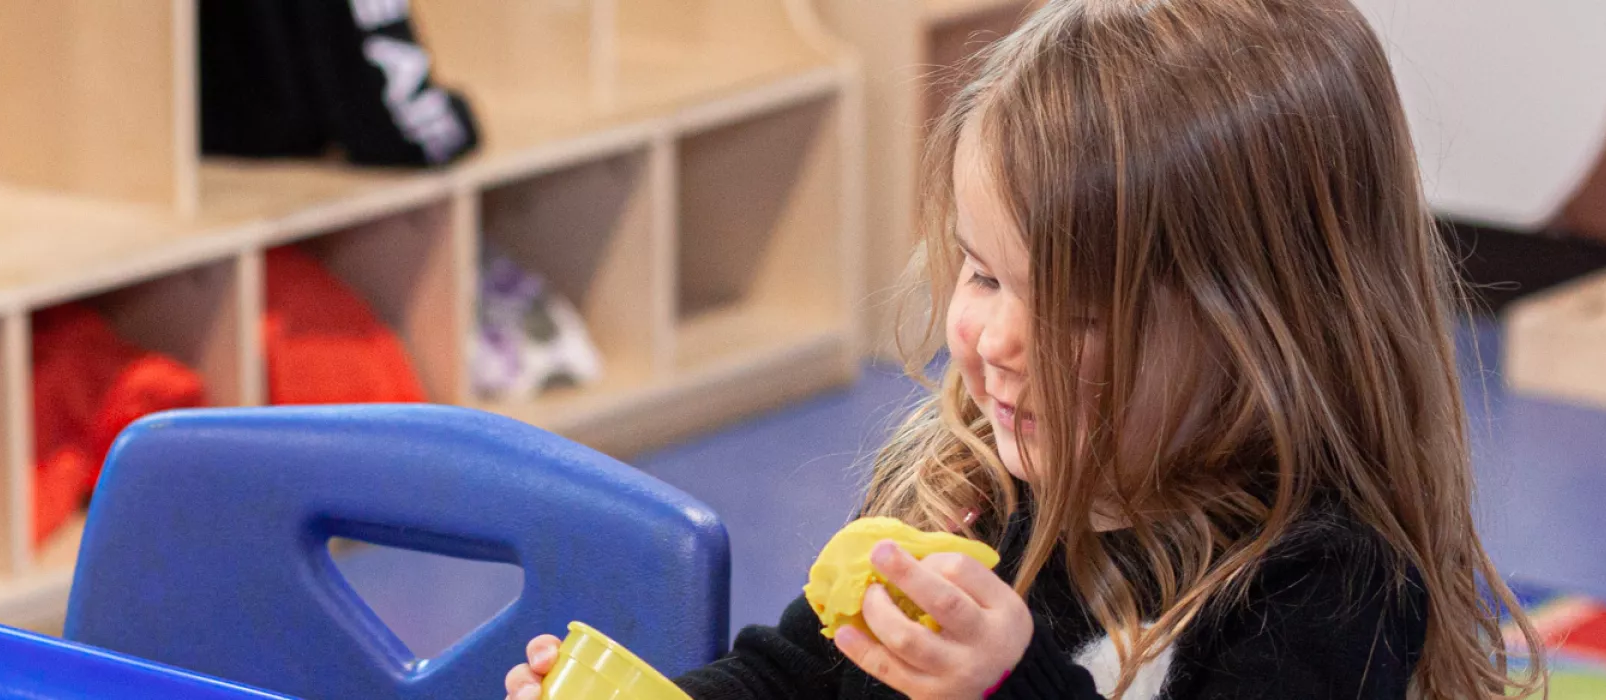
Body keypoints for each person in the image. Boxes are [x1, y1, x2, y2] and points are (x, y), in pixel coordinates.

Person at [507, 0, 1546, 696]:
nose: (996, 340)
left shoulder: (1331, 586)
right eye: (984, 273)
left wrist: (1007, 685)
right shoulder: (979, 494)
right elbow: (803, 677)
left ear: (1264, 329)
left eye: (1080, 311)